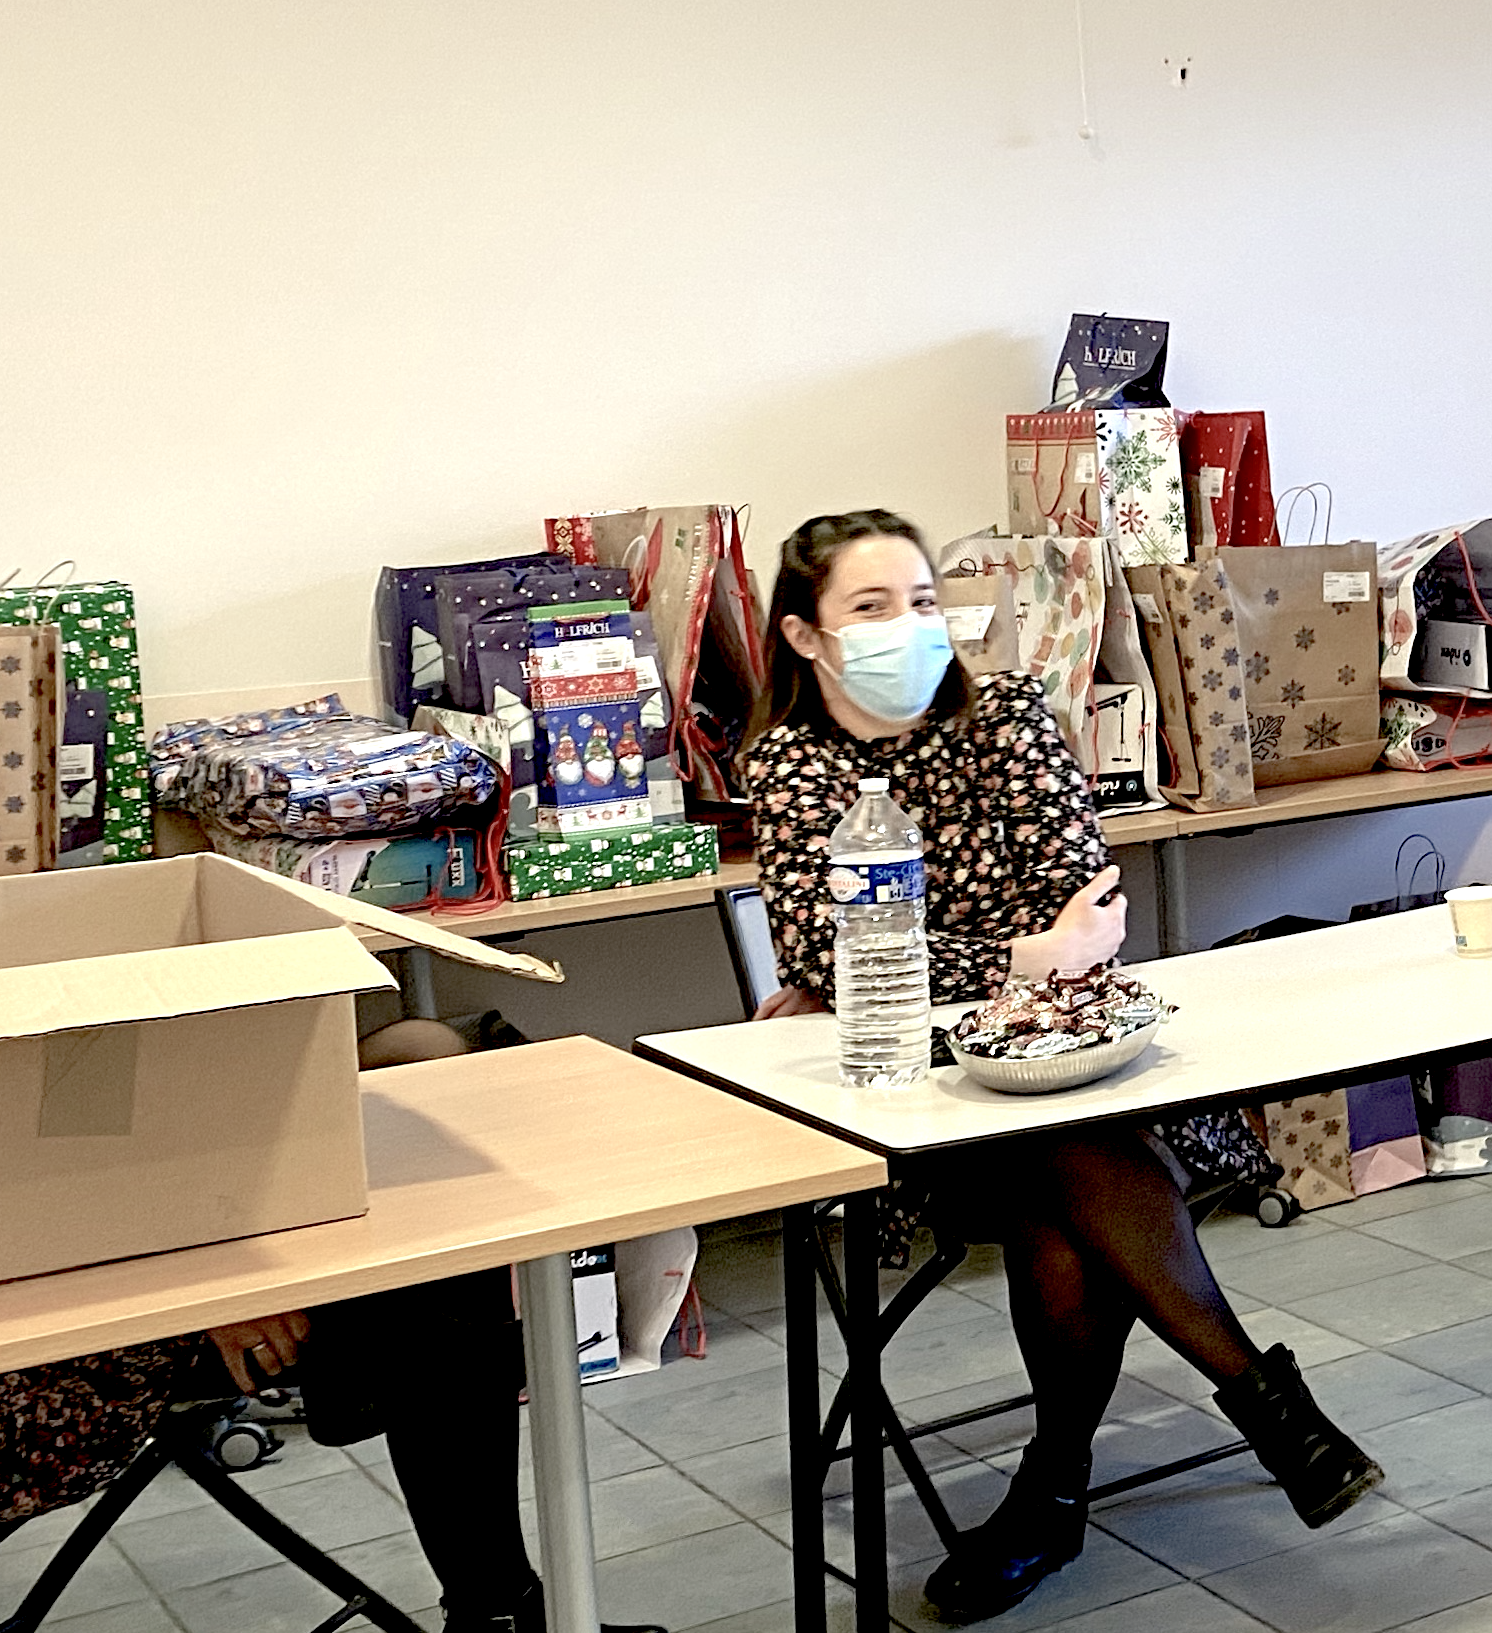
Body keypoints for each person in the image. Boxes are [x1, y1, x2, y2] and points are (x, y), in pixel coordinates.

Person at [740, 511, 1381, 1621]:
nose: (911, 627)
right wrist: (1020, 958)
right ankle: (1263, 1409)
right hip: (918, 1107)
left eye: (925, 603)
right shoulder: (788, 764)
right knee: (1063, 1182)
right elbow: (822, 954)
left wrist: (1003, 964)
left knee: (1066, 1164)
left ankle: (1053, 1493)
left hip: (1079, 1059)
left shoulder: (1006, 719)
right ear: (805, 638)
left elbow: (1089, 906)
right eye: (871, 608)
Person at [0, 1021, 663, 1633]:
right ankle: (496, 1609)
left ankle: (495, 1601)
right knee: (431, 1289)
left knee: (418, 1058)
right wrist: (203, 1275)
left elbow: (115, 1116)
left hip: (147, 1218)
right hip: (51, 1340)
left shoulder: (80, 933)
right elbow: (53, 1164)